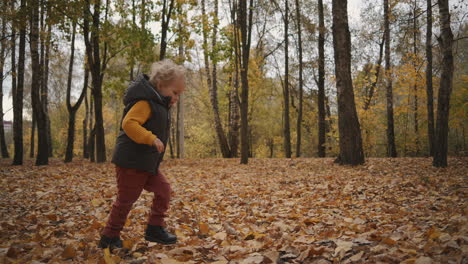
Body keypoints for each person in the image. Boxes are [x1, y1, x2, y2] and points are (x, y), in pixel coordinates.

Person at [98, 59, 186, 250]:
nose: (177, 98)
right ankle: (109, 236)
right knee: (126, 200)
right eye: (175, 92)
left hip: (147, 164)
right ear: (161, 86)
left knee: (164, 190)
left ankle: (154, 228)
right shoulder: (145, 102)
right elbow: (129, 124)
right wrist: (150, 138)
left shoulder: (160, 104)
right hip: (131, 162)